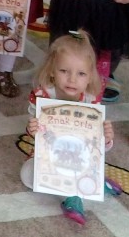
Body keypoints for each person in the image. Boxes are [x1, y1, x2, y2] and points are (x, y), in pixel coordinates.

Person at [20, 31, 114, 225]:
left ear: (90, 77)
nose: (72, 79)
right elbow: (37, 136)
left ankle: (76, 197)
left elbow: (95, 147)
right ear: (52, 71)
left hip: (79, 156)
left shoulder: (91, 100)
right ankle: (92, 184)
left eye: (81, 74)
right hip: (50, 154)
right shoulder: (42, 95)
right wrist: (33, 129)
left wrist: (106, 138)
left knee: (81, 170)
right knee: (27, 177)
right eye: (64, 71)